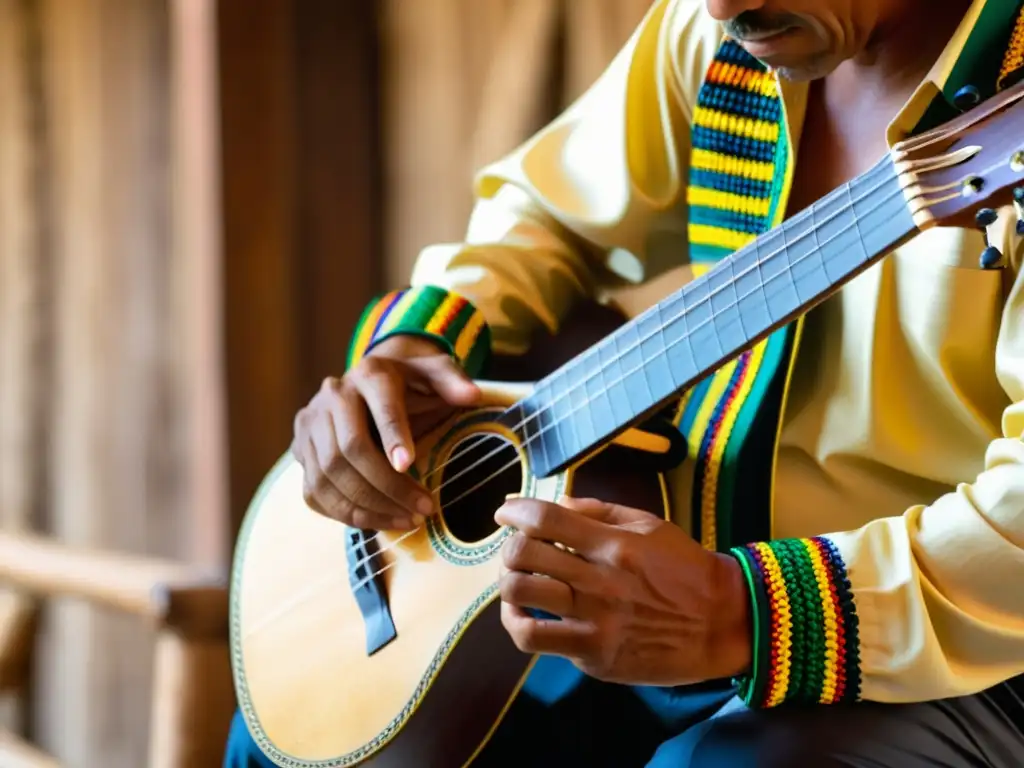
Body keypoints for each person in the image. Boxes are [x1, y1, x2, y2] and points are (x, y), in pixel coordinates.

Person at [224, 0, 1024, 765]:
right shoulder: (723, 39)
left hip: (961, 658)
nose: (718, 9)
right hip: (666, 587)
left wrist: (742, 611)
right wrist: (410, 348)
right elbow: (546, 216)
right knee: (300, 740)